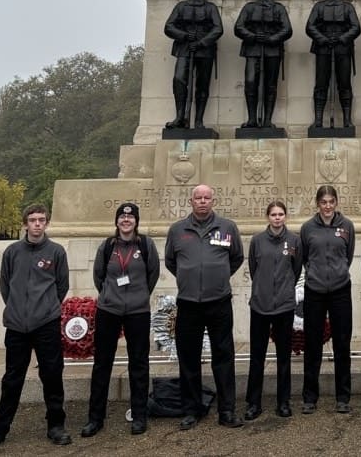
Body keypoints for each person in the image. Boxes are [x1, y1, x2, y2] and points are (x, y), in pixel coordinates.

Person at [0, 204, 72, 451]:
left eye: (42, 219)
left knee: (52, 376)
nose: (37, 224)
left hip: (46, 325)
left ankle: (56, 425)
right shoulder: (12, 252)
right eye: (32, 220)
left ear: (47, 223)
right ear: (25, 224)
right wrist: (17, 309)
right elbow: (5, 286)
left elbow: (61, 286)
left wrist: (46, 308)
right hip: (17, 326)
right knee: (12, 379)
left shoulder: (56, 252)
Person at [164, 184, 244, 430]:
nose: (202, 201)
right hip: (188, 303)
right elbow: (170, 262)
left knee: (223, 356)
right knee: (188, 358)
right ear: (191, 201)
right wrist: (190, 279)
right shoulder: (177, 230)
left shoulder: (227, 227)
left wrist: (217, 277)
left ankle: (227, 410)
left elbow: (236, 258)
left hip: (218, 301)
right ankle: (191, 410)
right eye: (198, 197)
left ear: (213, 200)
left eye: (206, 197)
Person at [82, 203, 161, 438]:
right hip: (109, 310)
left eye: (130, 217)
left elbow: (153, 274)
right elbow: (99, 276)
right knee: (102, 364)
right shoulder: (107, 246)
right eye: (122, 217)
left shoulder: (145, 245)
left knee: (138, 363)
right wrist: (109, 296)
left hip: (137, 311)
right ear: (117, 221)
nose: (126, 221)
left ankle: (139, 416)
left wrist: (138, 295)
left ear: (136, 221)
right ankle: (95, 418)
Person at [300, 185, 356, 413]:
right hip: (314, 290)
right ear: (317, 204)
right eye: (323, 202)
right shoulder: (307, 228)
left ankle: (343, 397)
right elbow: (304, 258)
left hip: (340, 290)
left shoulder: (347, 226)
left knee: (342, 344)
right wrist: (316, 273)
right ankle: (310, 398)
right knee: (313, 345)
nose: (327, 206)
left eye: (331, 201)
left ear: (336, 202)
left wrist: (338, 272)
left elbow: (348, 255)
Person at [245, 200, 302, 420]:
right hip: (260, 305)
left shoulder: (295, 240)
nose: (277, 218)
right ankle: (253, 403)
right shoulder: (257, 241)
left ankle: (283, 402)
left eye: (281, 214)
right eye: (273, 214)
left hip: (284, 306)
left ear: (285, 217)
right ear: (267, 217)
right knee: (257, 356)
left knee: (283, 357)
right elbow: (253, 268)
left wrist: (284, 290)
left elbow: (296, 270)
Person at [164, 0, 223, 129]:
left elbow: (218, 29)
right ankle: (180, 117)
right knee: (179, 80)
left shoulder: (210, 7)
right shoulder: (181, 6)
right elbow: (169, 27)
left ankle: (198, 120)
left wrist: (201, 42)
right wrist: (184, 35)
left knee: (202, 85)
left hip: (204, 50)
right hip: (184, 48)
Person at [234, 0, 292, 128]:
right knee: (251, 82)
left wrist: (273, 38)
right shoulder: (249, 7)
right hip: (253, 48)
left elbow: (287, 29)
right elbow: (239, 27)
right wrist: (253, 36)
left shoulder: (278, 8)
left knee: (270, 85)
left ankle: (267, 120)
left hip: (272, 49)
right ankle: (252, 118)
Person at [305, 0, 361, 129]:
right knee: (321, 83)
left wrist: (342, 38)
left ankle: (347, 121)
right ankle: (318, 120)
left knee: (344, 84)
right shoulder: (319, 6)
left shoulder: (348, 7)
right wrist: (322, 39)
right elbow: (310, 26)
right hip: (323, 48)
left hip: (343, 48)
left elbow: (356, 27)